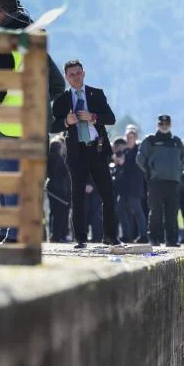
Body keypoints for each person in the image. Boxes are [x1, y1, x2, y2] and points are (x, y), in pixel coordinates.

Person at [0, 0, 65, 244]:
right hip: (31, 124)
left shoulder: (5, 40)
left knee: (7, 181)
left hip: (4, 121)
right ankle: (9, 232)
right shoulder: (32, 40)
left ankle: (12, 234)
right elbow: (58, 84)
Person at [51, 59, 120, 248]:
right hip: (77, 153)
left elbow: (111, 118)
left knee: (108, 194)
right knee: (78, 197)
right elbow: (52, 126)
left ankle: (110, 236)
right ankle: (80, 238)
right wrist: (66, 122)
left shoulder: (96, 94)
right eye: (71, 74)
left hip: (97, 150)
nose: (75, 77)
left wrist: (93, 117)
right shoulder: (61, 100)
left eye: (78, 73)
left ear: (84, 73)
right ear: (66, 77)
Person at [137, 115, 184, 247]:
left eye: (166, 124)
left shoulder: (176, 141)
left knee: (172, 212)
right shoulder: (150, 141)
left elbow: (183, 157)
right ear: (157, 125)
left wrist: (177, 171)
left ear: (170, 125)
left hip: (173, 182)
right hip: (156, 182)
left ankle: (171, 240)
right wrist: (149, 171)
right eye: (161, 124)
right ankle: (154, 238)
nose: (164, 126)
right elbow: (140, 159)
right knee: (156, 212)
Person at [115, 127, 147, 242]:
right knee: (120, 209)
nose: (128, 140)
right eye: (127, 137)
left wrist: (124, 163)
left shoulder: (139, 152)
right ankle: (126, 235)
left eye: (131, 137)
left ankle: (144, 236)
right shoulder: (126, 151)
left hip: (134, 187)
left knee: (137, 211)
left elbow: (137, 168)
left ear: (135, 138)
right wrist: (119, 163)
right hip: (124, 188)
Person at [46, 137, 71, 242]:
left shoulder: (50, 158)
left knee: (54, 212)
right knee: (59, 213)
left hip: (52, 187)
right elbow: (63, 174)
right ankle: (58, 235)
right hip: (59, 189)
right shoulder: (58, 159)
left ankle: (57, 235)